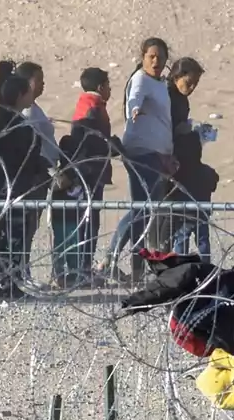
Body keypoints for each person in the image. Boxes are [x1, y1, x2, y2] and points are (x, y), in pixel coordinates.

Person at [0, 62, 50, 298]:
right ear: (20, 96)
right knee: (12, 237)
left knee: (2, 236)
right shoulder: (17, 124)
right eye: (28, 92)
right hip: (12, 187)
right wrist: (44, 167)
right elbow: (25, 157)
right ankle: (5, 284)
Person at [108, 37, 173, 279]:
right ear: (143, 57)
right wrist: (134, 108)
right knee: (141, 211)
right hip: (141, 153)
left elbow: (162, 122)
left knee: (145, 210)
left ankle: (133, 264)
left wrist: (168, 152)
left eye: (160, 57)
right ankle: (116, 260)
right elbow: (135, 96)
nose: (156, 61)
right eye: (151, 56)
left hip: (157, 154)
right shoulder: (140, 79)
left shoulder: (160, 84)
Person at [51, 67, 119, 288]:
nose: (110, 89)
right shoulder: (92, 108)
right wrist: (113, 147)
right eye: (108, 85)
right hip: (89, 175)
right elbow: (89, 144)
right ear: (101, 87)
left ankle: (80, 269)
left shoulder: (88, 105)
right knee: (88, 222)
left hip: (89, 173)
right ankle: (80, 270)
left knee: (88, 221)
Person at [165, 57, 218, 260]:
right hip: (175, 166)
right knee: (181, 229)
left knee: (196, 232)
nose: (192, 87)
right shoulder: (167, 96)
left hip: (187, 165)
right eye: (189, 82)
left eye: (195, 84)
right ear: (177, 76)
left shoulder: (181, 100)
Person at [16, 61, 59, 282]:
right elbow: (33, 147)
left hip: (43, 175)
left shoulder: (34, 108)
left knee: (30, 228)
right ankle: (20, 274)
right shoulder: (27, 112)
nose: (42, 84)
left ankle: (22, 273)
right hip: (36, 176)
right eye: (38, 80)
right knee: (26, 227)